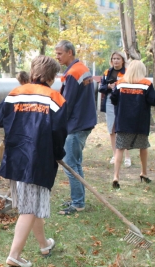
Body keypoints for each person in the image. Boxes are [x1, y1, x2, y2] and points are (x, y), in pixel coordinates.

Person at [0, 55, 68, 267]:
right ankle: (14, 256)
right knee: (29, 209)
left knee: (30, 204)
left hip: (16, 157)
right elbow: (60, 131)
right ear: (52, 77)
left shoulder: (15, 93)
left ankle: (44, 244)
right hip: (38, 160)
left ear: (33, 71)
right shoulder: (56, 98)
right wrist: (58, 153)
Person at [55, 40, 97, 215]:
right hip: (85, 121)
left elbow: (67, 103)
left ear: (70, 52)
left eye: (60, 54)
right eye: (56, 53)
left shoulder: (73, 73)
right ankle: (78, 198)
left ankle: (78, 202)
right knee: (76, 164)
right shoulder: (81, 68)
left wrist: (57, 122)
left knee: (70, 165)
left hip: (77, 124)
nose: (57, 57)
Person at [110, 60, 155, 188]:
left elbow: (113, 99)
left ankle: (116, 176)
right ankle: (144, 173)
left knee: (120, 149)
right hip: (140, 123)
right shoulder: (146, 84)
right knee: (143, 147)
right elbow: (153, 100)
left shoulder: (120, 83)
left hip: (123, 122)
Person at [98, 51, 131, 167]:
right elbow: (101, 87)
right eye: (114, 58)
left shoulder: (127, 72)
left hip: (123, 102)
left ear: (122, 60)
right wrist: (108, 86)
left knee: (123, 129)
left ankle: (127, 157)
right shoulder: (107, 72)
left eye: (118, 58)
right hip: (109, 102)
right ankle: (115, 155)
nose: (115, 61)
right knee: (112, 129)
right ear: (111, 60)